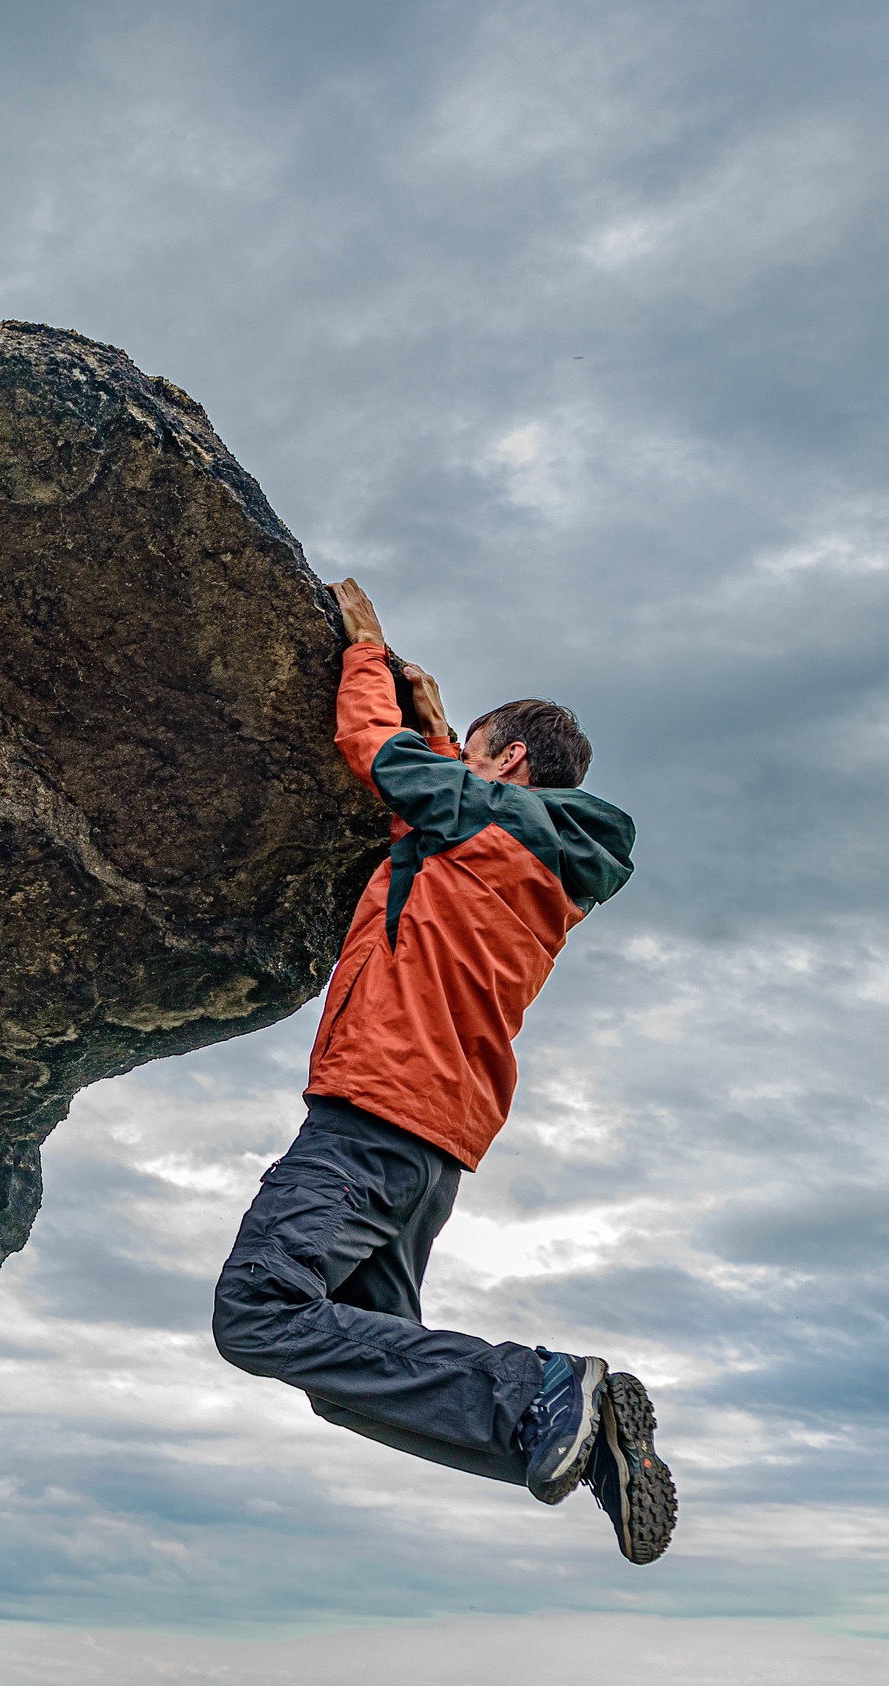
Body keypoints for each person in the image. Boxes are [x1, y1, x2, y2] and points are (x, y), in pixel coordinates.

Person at [210, 577, 674, 1565]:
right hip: (431, 1148)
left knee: (259, 1314)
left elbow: (376, 756)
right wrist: (439, 721)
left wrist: (365, 655)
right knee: (348, 1377)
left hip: (372, 1119)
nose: (451, 764)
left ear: (504, 762)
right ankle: (576, 1441)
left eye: (470, 750)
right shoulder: (531, 856)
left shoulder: (475, 818)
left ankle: (544, 1389)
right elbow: (436, 795)